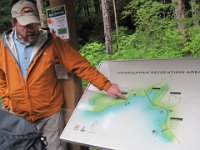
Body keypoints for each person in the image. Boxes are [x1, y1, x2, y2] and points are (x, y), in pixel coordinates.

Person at [0, 0, 125, 150]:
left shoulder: (52, 42)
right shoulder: (3, 47)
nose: (32, 29)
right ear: (14, 24)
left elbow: (80, 65)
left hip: (49, 115)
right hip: (19, 116)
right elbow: (1, 77)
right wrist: (9, 101)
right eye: (26, 25)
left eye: (34, 23)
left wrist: (107, 86)